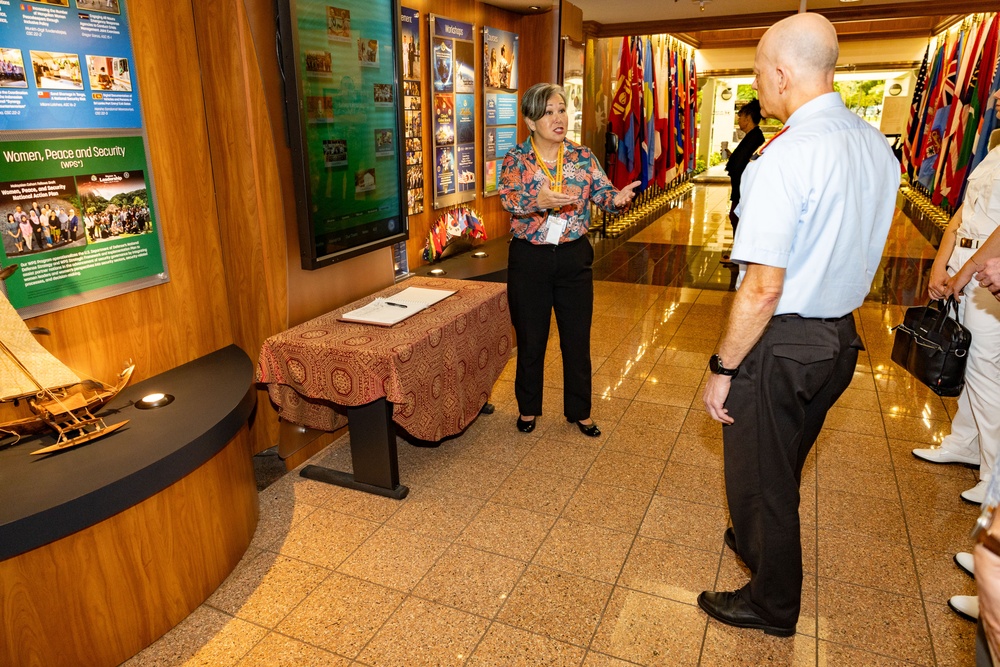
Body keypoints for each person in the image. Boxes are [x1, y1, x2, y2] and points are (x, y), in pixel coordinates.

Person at [699, 13, 898, 636]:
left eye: (759, 73)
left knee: (765, 478)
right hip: (840, 340)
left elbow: (762, 288)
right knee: (781, 460)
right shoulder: (873, 145)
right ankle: (758, 539)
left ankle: (771, 603)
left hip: (781, 344)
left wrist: (723, 368)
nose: (758, 86)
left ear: (782, 73)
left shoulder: (783, 158)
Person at [499, 82, 639, 437]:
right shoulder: (516, 158)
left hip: (574, 256)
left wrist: (618, 198)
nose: (558, 117)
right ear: (531, 121)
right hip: (530, 258)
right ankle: (528, 408)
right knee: (532, 338)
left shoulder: (581, 156)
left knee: (576, 338)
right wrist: (537, 202)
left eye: (561, 109)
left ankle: (580, 411)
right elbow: (508, 199)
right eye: (548, 112)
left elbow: (603, 193)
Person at [912, 89, 1000, 505]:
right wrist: (940, 263)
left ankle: (993, 473)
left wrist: (966, 271)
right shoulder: (994, 147)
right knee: (969, 363)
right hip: (965, 260)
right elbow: (962, 214)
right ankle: (965, 442)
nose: (997, 97)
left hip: (988, 271)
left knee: (985, 370)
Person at [724, 98, 764, 234]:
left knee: (736, 218)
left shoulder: (755, 138)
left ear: (747, 118)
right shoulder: (751, 136)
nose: (738, 120)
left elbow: (743, 164)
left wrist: (734, 162)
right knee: (735, 218)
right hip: (740, 189)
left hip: (744, 191)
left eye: (740, 117)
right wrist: (732, 156)